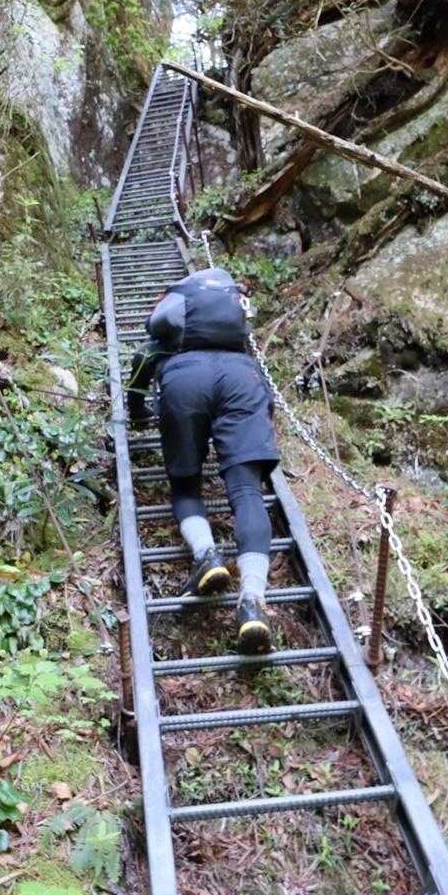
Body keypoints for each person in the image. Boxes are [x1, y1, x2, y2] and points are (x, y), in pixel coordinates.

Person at [127, 266, 279, 655]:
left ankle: (207, 556)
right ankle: (252, 601)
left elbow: (141, 365)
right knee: (247, 492)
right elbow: (267, 398)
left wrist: (138, 411)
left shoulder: (167, 339)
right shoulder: (238, 342)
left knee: (186, 486)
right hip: (242, 381)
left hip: (184, 382)